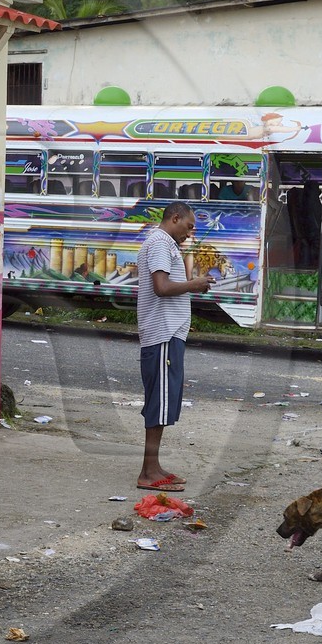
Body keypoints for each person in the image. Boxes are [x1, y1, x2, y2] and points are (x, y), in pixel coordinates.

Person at [135, 201, 210, 493]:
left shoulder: (164, 244)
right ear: (175, 218)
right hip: (162, 334)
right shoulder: (159, 244)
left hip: (167, 334)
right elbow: (162, 287)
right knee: (159, 404)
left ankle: (152, 468)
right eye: (189, 226)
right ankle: (148, 472)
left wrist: (193, 283)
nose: (190, 233)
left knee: (163, 402)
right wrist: (195, 284)